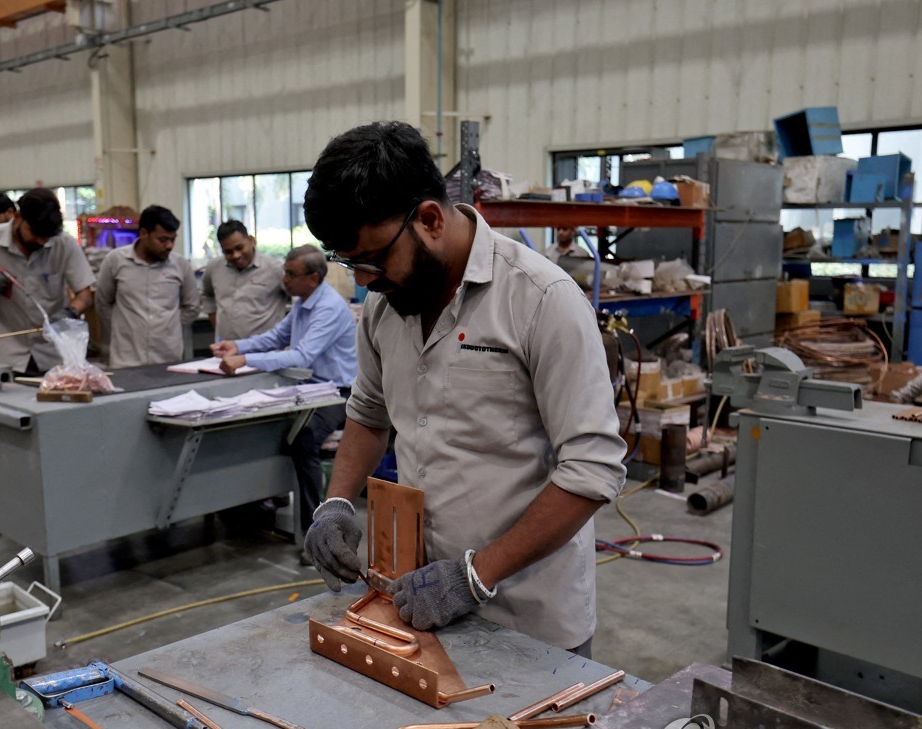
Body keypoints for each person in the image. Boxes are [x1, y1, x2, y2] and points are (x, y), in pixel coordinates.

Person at [301, 121, 627, 656]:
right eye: (348, 264)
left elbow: (592, 468)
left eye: (372, 260)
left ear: (429, 218)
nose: (362, 281)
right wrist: (335, 502)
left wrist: (474, 576)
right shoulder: (385, 305)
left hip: (530, 618)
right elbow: (368, 411)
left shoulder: (541, 300)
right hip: (416, 602)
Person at [211, 244, 357, 540]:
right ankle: (256, 510)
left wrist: (245, 360)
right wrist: (238, 346)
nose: (284, 279)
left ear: (313, 278)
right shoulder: (304, 302)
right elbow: (277, 336)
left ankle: (314, 532)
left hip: (336, 394)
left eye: (291, 274)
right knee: (260, 425)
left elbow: (301, 356)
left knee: (304, 440)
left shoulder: (327, 307)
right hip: (307, 388)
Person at [0, 187, 95, 375]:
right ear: (19, 217)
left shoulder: (63, 243)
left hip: (54, 355)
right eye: (35, 233)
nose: (39, 242)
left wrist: (71, 311)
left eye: (45, 238)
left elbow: (85, 294)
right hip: (8, 356)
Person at [95, 205, 200, 369]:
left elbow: (192, 307)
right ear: (144, 233)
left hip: (168, 359)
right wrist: (123, 328)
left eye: (173, 239)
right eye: (163, 240)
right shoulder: (115, 261)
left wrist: (167, 327)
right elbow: (102, 303)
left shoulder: (180, 265)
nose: (169, 246)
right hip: (126, 360)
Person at [200, 220, 288, 341]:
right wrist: (217, 324)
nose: (236, 255)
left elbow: (299, 299)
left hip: (265, 353)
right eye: (228, 252)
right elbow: (207, 295)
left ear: (251, 240)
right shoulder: (214, 267)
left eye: (239, 248)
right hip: (227, 349)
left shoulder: (275, 269)